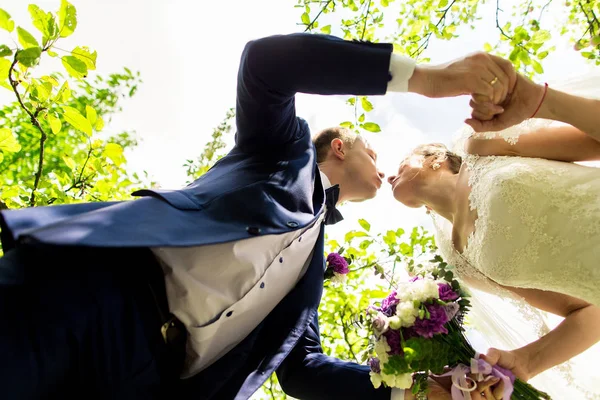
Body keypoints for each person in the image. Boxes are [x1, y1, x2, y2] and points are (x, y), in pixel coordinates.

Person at [0, 32, 515, 399]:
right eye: (374, 155)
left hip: (144, 379)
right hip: (94, 294)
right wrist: (426, 79)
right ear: (339, 147)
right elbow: (265, 63)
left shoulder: (312, 267)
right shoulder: (279, 149)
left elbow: (303, 371)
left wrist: (414, 393)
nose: (381, 171)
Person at [387, 68, 600, 398]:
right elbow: (590, 311)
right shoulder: (465, 263)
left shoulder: (481, 149)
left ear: (434, 159)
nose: (389, 177)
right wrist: (523, 363)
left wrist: (545, 101)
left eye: (402, 164)